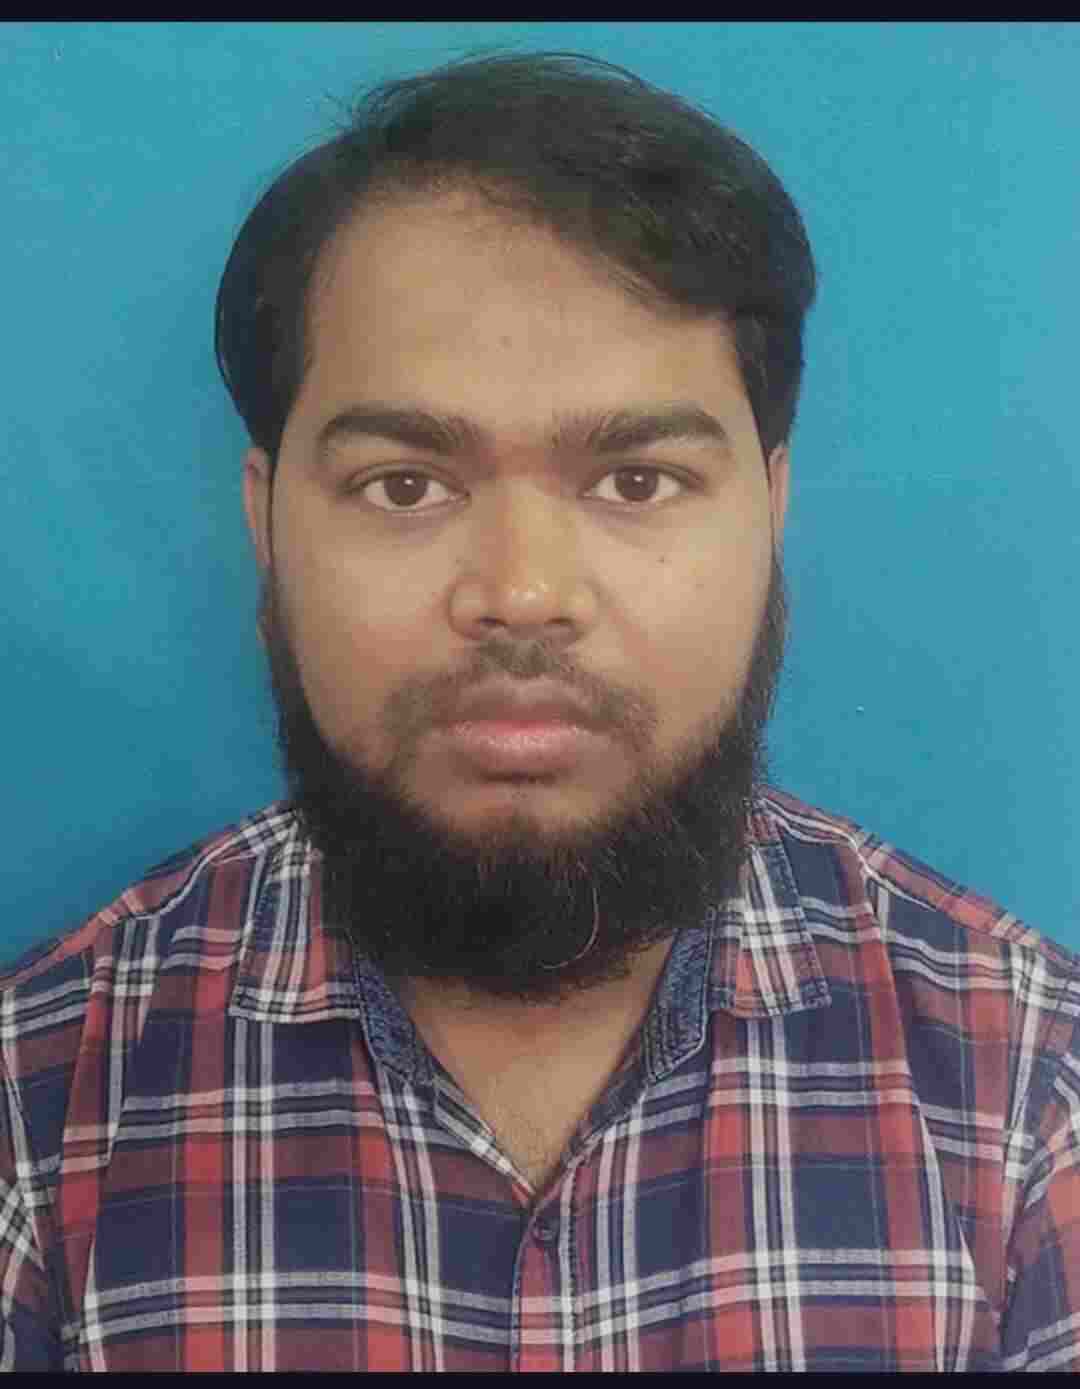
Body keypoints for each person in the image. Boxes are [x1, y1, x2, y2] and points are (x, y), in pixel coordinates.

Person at [1, 50, 1076, 1373]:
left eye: (636, 480)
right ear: (265, 522)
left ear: (772, 507)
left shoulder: (1035, 1095)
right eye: (404, 485)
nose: (522, 595)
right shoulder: (39, 1112)